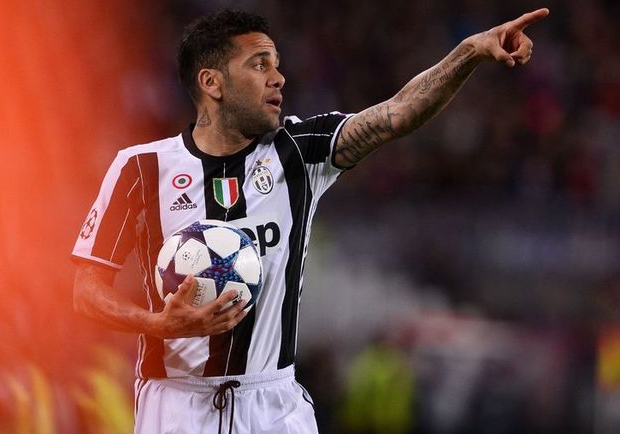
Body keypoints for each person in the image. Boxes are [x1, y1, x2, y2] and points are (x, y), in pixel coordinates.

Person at [71, 7, 549, 433]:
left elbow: (397, 114)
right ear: (212, 83)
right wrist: (159, 323)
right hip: (175, 406)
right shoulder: (141, 168)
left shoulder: (299, 152)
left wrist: (469, 52)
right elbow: (86, 291)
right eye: (259, 65)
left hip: (273, 406)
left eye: (277, 64)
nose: (278, 78)